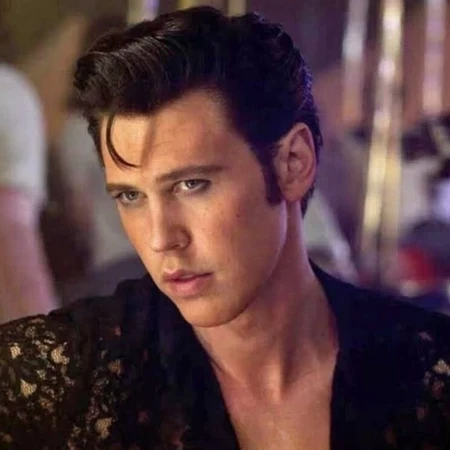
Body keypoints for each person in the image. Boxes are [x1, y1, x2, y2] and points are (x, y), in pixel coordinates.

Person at [1, 6, 450, 449]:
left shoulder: (428, 370)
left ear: (293, 163)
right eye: (130, 196)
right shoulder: (60, 375)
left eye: (192, 184)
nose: (160, 239)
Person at [0, 62, 57, 322]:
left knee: (25, 296)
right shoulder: (13, 83)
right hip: (21, 197)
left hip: (9, 199)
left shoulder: (7, 85)